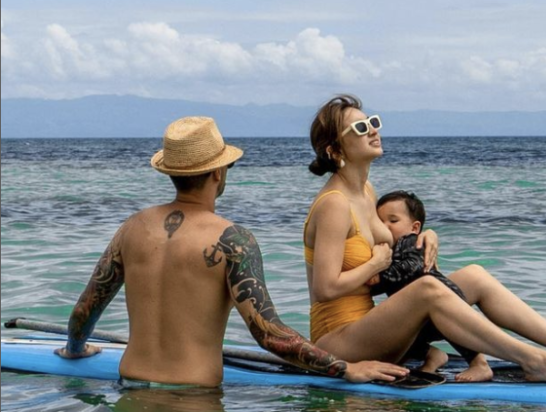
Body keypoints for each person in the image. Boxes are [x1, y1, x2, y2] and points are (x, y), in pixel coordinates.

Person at [302, 95, 546, 383]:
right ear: (335, 149)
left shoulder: (365, 191)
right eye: (360, 128)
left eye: (372, 121)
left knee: (473, 275)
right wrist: (375, 263)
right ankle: (535, 360)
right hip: (339, 342)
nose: (373, 129)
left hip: (374, 326)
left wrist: (426, 234)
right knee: (428, 290)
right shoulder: (334, 204)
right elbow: (325, 288)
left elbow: (387, 248)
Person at [56, 116, 408, 388]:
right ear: (218, 173)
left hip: (130, 387)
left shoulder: (131, 228)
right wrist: (346, 368)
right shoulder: (232, 239)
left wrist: (75, 349)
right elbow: (270, 335)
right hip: (192, 397)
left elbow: (87, 307)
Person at [373, 190, 492, 382]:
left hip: (442, 300)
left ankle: (479, 364)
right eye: (381, 223)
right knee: (399, 331)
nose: (386, 227)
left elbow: (411, 267)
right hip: (420, 310)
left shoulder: (411, 241)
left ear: (415, 227)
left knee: (456, 331)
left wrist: (378, 278)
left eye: (393, 221)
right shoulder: (393, 249)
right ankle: (433, 357)